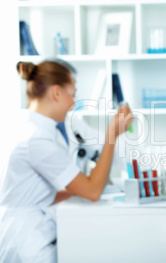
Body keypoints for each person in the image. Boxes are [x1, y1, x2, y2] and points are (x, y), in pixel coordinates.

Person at [0, 60, 132, 263]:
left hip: (32, 234)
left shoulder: (36, 129)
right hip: (26, 242)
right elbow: (92, 192)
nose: (73, 101)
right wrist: (112, 134)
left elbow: (39, 193)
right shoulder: (37, 138)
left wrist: (80, 185)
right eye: (72, 93)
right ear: (56, 93)